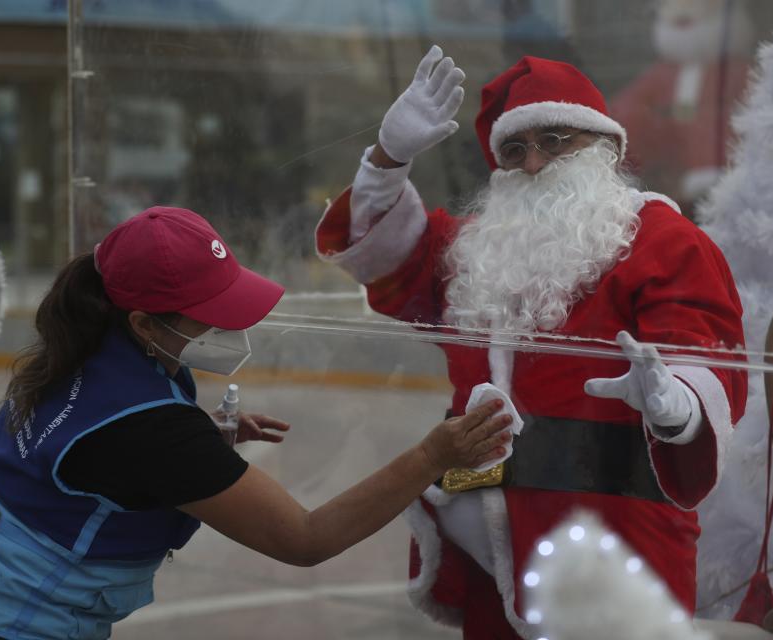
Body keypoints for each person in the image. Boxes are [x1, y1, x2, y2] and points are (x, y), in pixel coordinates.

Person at [0, 206, 513, 639]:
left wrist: (199, 438)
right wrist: (431, 457)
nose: (233, 329)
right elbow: (305, 539)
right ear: (145, 324)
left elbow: (101, 452)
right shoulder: (155, 434)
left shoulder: (79, 347)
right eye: (213, 316)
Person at [315, 47, 748, 639]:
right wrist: (388, 160)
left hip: (612, 556)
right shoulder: (477, 249)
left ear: (605, 149)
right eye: (514, 150)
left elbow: (704, 357)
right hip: (489, 558)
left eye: (555, 140)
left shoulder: (667, 243)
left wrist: (677, 407)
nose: (535, 162)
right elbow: (382, 256)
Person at [610, 0, 756, 214]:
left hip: (725, 180)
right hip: (669, 180)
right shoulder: (660, 75)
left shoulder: (736, 72)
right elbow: (627, 110)